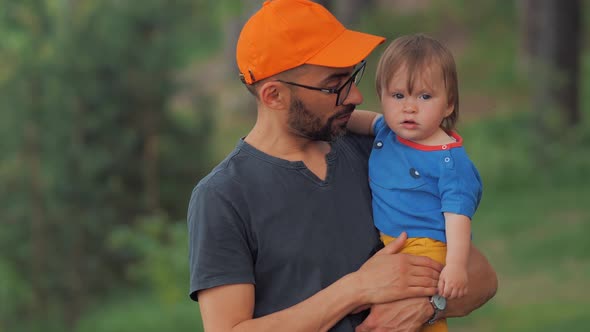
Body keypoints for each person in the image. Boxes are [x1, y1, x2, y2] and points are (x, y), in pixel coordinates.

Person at [187, 1, 497, 331]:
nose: (355, 97)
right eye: (334, 84)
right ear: (274, 96)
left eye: (352, 76)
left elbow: (481, 277)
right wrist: (355, 289)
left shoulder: (376, 151)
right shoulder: (223, 197)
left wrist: (429, 305)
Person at [347, 34, 482, 332]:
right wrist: (337, 115)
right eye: (398, 96)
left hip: (427, 249)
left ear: (448, 105)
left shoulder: (449, 161)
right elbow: (358, 120)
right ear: (382, 97)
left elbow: (457, 218)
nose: (409, 108)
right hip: (391, 243)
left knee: (405, 315)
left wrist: (456, 266)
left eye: (424, 97)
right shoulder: (386, 129)